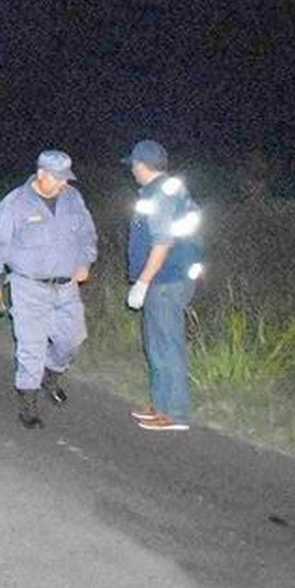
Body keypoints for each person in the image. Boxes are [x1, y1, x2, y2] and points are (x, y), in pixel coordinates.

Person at [0, 150, 98, 429]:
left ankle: (50, 376)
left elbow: (87, 233)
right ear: (42, 174)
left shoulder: (72, 198)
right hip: (28, 285)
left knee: (72, 340)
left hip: (66, 286)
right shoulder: (16, 203)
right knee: (31, 345)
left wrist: (85, 261)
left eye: (66, 178)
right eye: (58, 179)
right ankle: (28, 403)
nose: (63, 184)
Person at [124, 140, 204, 432]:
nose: (132, 170)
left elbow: (162, 242)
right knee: (157, 343)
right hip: (172, 278)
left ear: (142, 165)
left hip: (165, 280)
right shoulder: (170, 190)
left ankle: (175, 413)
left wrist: (143, 282)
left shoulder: (160, 195)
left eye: (134, 164)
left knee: (166, 345)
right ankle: (161, 405)